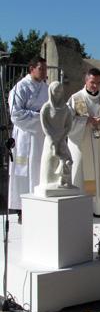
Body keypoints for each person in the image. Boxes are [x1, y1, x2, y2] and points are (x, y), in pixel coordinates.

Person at [68, 68, 100, 218]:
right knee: (79, 173)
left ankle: (97, 208)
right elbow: (67, 121)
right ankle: (77, 210)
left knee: (98, 174)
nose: (95, 86)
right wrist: (86, 120)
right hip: (81, 144)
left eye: (98, 83)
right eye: (92, 82)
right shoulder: (75, 98)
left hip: (98, 144)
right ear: (86, 81)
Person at [8, 56, 48, 223]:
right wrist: (40, 116)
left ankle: (39, 205)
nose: (45, 72)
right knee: (23, 173)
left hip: (41, 136)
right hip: (25, 136)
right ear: (31, 69)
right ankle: (22, 209)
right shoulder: (20, 87)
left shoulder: (46, 88)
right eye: (42, 69)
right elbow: (16, 114)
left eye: (46, 69)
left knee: (39, 170)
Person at [38, 81, 74, 189]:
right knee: (50, 162)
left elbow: (68, 125)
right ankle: (48, 182)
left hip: (62, 139)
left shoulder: (66, 109)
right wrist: (51, 139)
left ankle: (63, 181)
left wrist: (62, 137)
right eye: (55, 91)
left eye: (60, 91)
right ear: (50, 91)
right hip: (50, 141)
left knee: (67, 161)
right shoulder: (46, 108)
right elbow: (45, 126)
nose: (57, 94)